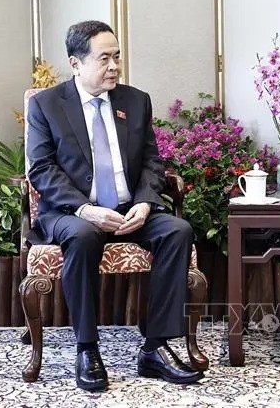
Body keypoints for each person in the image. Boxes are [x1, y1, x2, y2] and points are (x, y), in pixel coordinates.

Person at [26, 21, 204, 391]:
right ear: (76, 64)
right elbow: (40, 168)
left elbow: (154, 162)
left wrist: (144, 203)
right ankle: (87, 349)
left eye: (117, 56)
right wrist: (85, 209)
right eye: (104, 58)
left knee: (177, 230)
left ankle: (155, 347)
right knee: (83, 236)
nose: (114, 66)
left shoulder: (135, 100)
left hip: (129, 209)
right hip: (73, 214)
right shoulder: (46, 105)